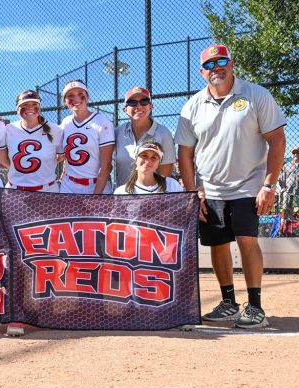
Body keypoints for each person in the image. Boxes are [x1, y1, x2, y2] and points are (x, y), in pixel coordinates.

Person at [176, 43, 287, 329]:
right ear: (202, 72)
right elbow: (185, 154)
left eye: (221, 61)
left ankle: (256, 306)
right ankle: (228, 302)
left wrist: (269, 185)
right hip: (210, 190)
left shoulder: (256, 95)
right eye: (210, 65)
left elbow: (277, 140)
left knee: (247, 241)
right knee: (217, 245)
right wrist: (193, 192)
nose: (217, 68)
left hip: (249, 186)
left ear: (231, 63)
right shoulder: (192, 106)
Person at [58, 80, 115, 194]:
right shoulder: (65, 122)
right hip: (68, 186)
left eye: (80, 94)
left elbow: (106, 165)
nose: (76, 99)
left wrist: (96, 197)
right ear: (65, 101)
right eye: (70, 96)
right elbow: (67, 156)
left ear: (87, 97)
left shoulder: (102, 122)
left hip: (95, 186)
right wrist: (62, 177)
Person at [114, 87, 176, 186]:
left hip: (151, 197)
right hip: (123, 196)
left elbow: (165, 176)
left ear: (151, 106)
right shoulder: (118, 132)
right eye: (132, 103)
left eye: (144, 101)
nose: (138, 106)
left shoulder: (163, 133)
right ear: (125, 109)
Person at [5, 90, 64, 192]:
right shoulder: (8, 129)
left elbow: (64, 155)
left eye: (34, 104)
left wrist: (48, 162)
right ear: (17, 108)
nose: (30, 107)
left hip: (47, 191)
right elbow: (1, 155)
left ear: (40, 107)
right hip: (15, 190)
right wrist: (17, 167)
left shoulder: (55, 130)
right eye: (25, 104)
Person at [113, 141, 183, 195]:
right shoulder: (122, 192)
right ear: (136, 160)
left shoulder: (172, 185)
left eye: (154, 157)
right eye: (144, 156)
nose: (148, 161)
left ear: (158, 163)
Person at [278, 147, 299, 215]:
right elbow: (282, 178)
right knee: (288, 212)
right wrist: (283, 188)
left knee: (297, 213)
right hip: (289, 192)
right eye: (294, 153)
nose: (296, 154)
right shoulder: (287, 165)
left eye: (297, 152)